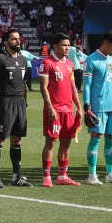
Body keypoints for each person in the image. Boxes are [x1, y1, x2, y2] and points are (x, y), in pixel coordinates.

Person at [0, 28, 33, 188]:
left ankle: (17, 177)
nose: (18, 41)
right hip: (5, 102)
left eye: (18, 38)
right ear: (6, 42)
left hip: (20, 103)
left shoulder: (22, 59)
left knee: (17, 139)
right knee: (0, 139)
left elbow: (23, 85)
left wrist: (25, 103)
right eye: (14, 39)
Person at [38, 32, 83, 187]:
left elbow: (72, 87)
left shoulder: (70, 64)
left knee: (67, 143)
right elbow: (43, 87)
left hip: (68, 110)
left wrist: (79, 107)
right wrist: (49, 106)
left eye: (68, 45)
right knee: (51, 142)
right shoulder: (47, 63)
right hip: (54, 109)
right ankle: (47, 176)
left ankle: (62, 176)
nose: (67, 48)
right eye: (64, 45)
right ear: (55, 46)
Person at [83, 30, 112, 185]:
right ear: (105, 44)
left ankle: (110, 174)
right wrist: (87, 107)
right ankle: (92, 175)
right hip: (98, 105)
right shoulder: (91, 60)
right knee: (96, 138)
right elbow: (86, 86)